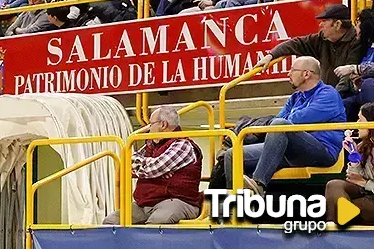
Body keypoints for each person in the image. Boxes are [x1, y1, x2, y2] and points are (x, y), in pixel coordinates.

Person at [223, 56, 345, 195]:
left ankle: (258, 185)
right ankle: (234, 206)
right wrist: (283, 120)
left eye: (293, 70)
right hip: (290, 150)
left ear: (306, 74)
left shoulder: (328, 94)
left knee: (281, 125)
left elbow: (296, 120)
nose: (288, 74)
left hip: (323, 151)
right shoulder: (295, 97)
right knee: (232, 154)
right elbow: (277, 121)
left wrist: (284, 120)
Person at [103, 106, 201, 225]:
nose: (149, 128)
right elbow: (128, 160)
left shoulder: (183, 145)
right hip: (145, 203)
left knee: (156, 222)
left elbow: (153, 169)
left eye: (151, 124)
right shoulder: (151, 144)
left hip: (177, 201)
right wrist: (145, 164)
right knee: (111, 221)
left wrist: (142, 164)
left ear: (163, 125)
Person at [325, 102, 374, 224]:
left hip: (370, 191)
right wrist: (354, 157)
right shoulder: (364, 146)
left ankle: (336, 231)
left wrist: (366, 183)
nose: (356, 124)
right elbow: (353, 178)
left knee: (350, 209)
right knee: (334, 185)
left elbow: (362, 181)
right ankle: (332, 229)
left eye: (360, 120)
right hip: (368, 192)